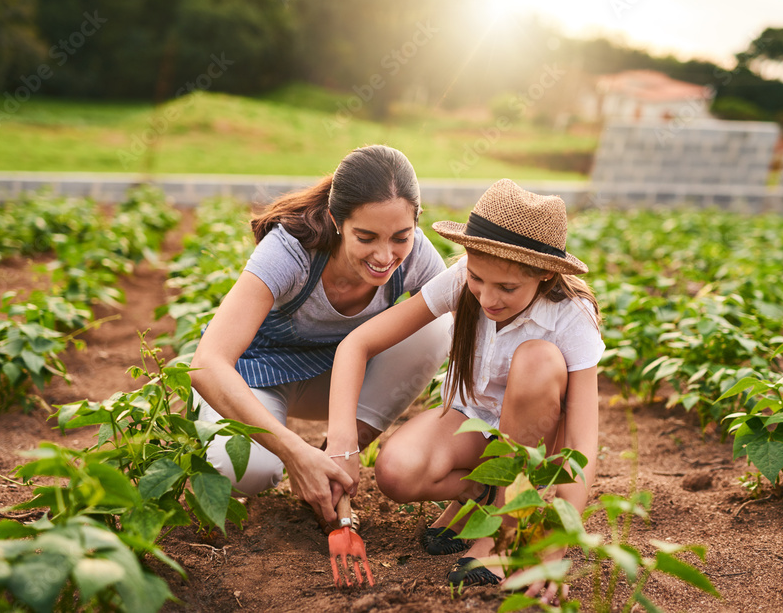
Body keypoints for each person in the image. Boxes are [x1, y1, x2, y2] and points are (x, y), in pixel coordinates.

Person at [327, 178, 603, 602]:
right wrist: (342, 447)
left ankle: (506, 532)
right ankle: (484, 495)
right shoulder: (461, 279)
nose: (487, 298)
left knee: (536, 358)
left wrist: (554, 549)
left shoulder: (572, 317)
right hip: (475, 424)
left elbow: (582, 443)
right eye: (477, 278)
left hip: (536, 443)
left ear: (546, 274)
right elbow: (358, 343)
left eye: (507, 288)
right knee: (396, 472)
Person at [189, 145, 451, 526]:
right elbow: (207, 362)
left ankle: (335, 465)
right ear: (336, 220)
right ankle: (238, 430)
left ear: (416, 221)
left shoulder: (416, 256)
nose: (384, 255)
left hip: (337, 382)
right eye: (366, 237)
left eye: (400, 236)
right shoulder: (291, 251)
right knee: (246, 471)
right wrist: (294, 452)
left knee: (438, 321)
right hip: (259, 377)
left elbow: (470, 333)